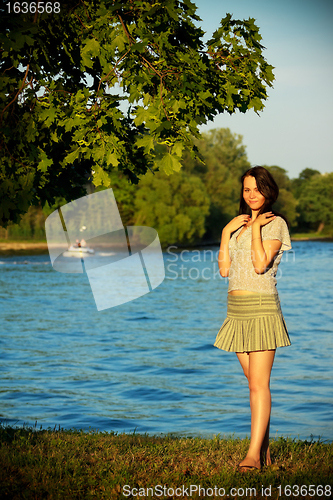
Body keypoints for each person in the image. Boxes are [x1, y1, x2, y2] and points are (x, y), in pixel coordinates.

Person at [214, 166, 292, 472]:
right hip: (236, 312)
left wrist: (257, 228)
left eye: (257, 189)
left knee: (259, 386)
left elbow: (260, 265)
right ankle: (265, 452)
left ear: (268, 191)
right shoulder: (237, 227)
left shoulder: (276, 224)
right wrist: (225, 233)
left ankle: (253, 457)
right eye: (247, 189)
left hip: (261, 309)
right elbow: (224, 270)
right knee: (254, 387)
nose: (252, 195)